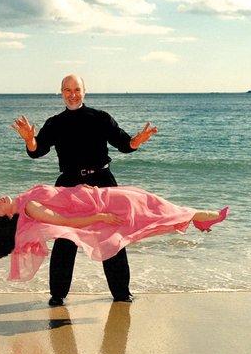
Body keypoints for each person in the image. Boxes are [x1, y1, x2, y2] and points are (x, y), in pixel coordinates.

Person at [11, 74, 157, 306]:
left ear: (84, 91)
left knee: (112, 237)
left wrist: (139, 139)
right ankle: (57, 296)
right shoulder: (54, 123)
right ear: (61, 93)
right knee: (65, 240)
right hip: (69, 186)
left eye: (76, 89)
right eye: (67, 90)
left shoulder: (100, 118)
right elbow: (37, 151)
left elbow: (124, 144)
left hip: (102, 182)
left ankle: (121, 294)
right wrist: (30, 139)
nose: (72, 94)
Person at [0, 184, 229, 293]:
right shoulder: (29, 208)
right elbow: (65, 222)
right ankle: (206, 216)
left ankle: (198, 219)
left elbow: (62, 201)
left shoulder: (24, 201)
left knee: (151, 210)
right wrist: (102, 216)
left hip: (99, 197)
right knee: (151, 210)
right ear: (5, 219)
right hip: (101, 204)